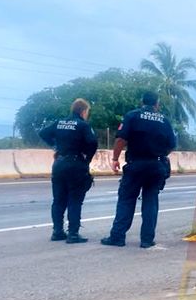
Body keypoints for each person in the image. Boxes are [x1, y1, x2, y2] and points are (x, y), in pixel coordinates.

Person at [101, 91, 176, 248]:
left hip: (136, 164)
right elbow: (171, 145)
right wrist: (159, 154)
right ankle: (147, 240)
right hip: (156, 166)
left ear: (142, 102)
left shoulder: (132, 116)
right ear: (157, 104)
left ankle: (117, 237)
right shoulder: (164, 120)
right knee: (151, 201)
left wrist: (115, 159)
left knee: (126, 199)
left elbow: (121, 138)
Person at [39, 98, 98, 244]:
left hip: (59, 164)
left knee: (58, 200)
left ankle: (57, 231)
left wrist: (55, 146)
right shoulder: (83, 125)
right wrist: (87, 158)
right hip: (75, 164)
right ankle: (73, 234)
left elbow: (43, 133)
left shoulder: (59, 123)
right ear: (84, 111)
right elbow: (92, 142)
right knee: (75, 199)